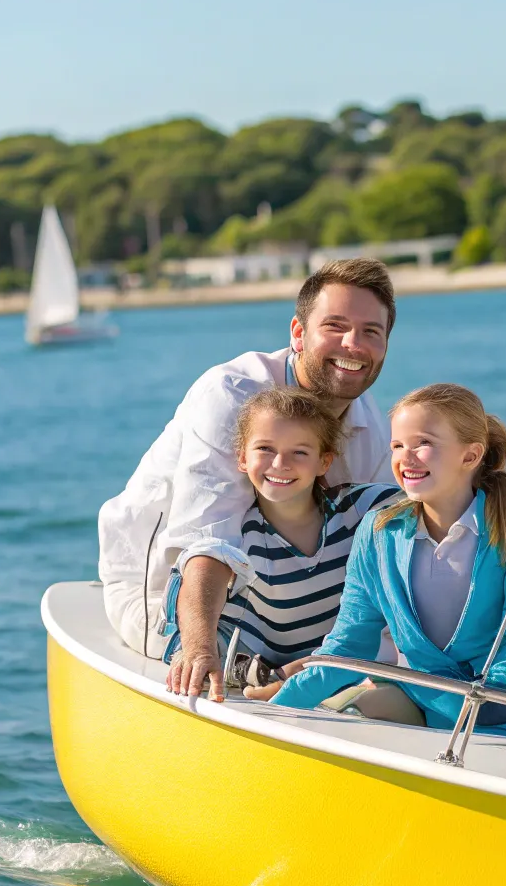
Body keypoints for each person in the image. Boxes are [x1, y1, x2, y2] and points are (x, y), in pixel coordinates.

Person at [98, 258, 397, 695]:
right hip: (162, 590)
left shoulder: (371, 425)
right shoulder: (232, 395)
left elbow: (380, 552)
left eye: (371, 331)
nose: (353, 344)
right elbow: (207, 543)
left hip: (281, 607)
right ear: (298, 332)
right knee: (206, 655)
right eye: (335, 325)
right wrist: (198, 649)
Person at [246, 383, 506, 742]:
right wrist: (281, 712)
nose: (405, 458)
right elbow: (349, 645)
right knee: (348, 716)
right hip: (416, 691)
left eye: (422, 444)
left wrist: (484, 700)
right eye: (397, 445)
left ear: (470, 456)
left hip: (496, 709)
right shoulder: (377, 532)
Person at [158, 386, 399, 700]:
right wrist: (273, 673)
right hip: (256, 668)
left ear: (324, 462)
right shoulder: (241, 535)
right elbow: (200, 571)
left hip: (333, 668)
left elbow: (437, 496)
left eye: (300, 452)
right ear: (243, 458)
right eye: (265, 449)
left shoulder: (358, 509)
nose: (280, 463)